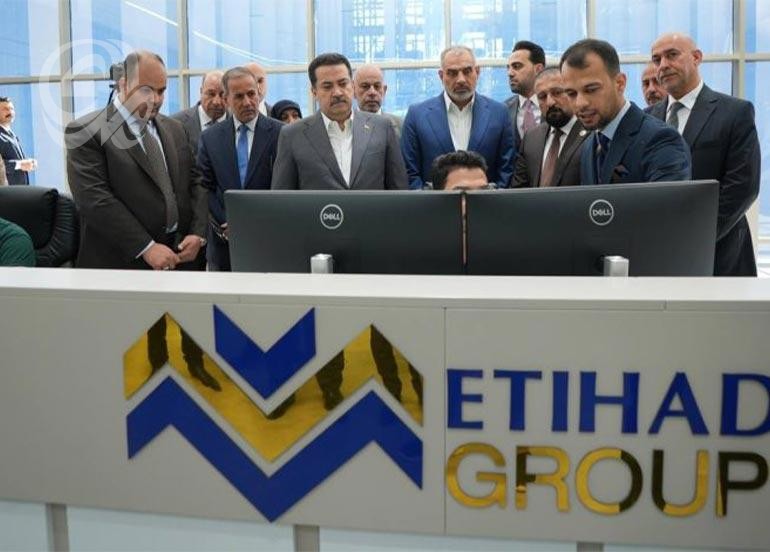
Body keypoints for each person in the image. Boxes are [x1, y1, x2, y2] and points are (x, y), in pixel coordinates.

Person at [65, 50, 219, 391]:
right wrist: (147, 247)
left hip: (180, 258)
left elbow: (196, 183)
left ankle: (193, 372)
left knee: (186, 338)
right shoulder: (87, 131)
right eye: (147, 90)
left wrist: (198, 234)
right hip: (121, 265)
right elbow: (95, 200)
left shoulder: (174, 128)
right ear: (122, 84)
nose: (156, 99)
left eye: (162, 91)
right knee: (125, 373)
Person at [649, 32, 761, 276]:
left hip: (720, 252)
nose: (663, 65)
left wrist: (696, 237)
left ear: (697, 57)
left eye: (672, 55)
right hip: (659, 252)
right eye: (657, 60)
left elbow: (743, 186)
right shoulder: (647, 119)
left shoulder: (734, 112)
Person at [559, 38, 691, 185]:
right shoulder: (589, 146)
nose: (580, 103)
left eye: (591, 90)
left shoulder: (661, 139)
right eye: (571, 93)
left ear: (620, 83)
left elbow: (669, 200)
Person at [271, 52, 407, 191]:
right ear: (314, 92)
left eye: (343, 84)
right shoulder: (293, 135)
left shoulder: (382, 127)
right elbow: (282, 196)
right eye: (327, 86)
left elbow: (399, 190)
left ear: (352, 86)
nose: (337, 92)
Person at [198, 66, 283, 271]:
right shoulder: (210, 138)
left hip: (270, 241)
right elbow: (204, 187)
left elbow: (284, 188)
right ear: (226, 99)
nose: (247, 102)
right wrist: (228, 222)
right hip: (224, 245)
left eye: (251, 94)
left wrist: (252, 222)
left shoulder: (282, 133)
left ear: (259, 94)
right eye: (238, 96)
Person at [401, 45, 514, 189]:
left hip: (486, 201)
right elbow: (409, 171)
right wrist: (428, 201)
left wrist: (490, 199)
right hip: (433, 202)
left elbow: (507, 169)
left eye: (467, 71)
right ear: (441, 76)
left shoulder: (499, 113)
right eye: (452, 73)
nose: (461, 79)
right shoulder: (417, 115)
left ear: (477, 72)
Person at [512, 67, 589, 188]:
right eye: (542, 96)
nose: (550, 102)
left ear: (571, 92)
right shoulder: (531, 138)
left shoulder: (591, 133)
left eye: (557, 92)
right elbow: (519, 190)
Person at [170, 71, 226, 155]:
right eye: (211, 94)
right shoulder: (176, 124)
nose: (216, 102)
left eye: (222, 95)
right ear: (201, 91)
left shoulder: (237, 122)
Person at [505, 40, 546, 150]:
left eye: (516, 66)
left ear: (538, 69)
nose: (510, 73)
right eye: (508, 68)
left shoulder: (557, 105)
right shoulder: (503, 110)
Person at [353, 63, 403, 137]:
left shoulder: (400, 126)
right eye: (365, 86)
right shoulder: (345, 126)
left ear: (384, 90)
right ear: (353, 90)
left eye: (377, 86)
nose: (372, 92)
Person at [0, 96, 35, 185]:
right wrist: (19, 164)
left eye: (12, 109)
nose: (10, 112)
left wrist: (27, 163)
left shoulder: (11, 134)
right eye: (5, 109)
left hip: (20, 189)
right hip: (7, 191)